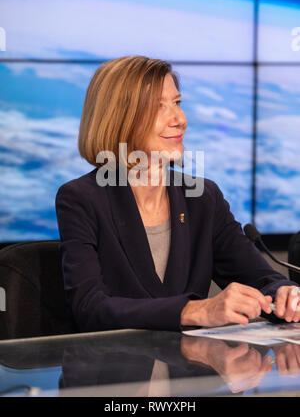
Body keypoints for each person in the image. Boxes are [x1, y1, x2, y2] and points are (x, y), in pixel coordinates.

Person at [55, 55, 300, 333]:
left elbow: (265, 278)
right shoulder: (81, 199)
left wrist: (286, 293)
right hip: (114, 371)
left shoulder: (203, 198)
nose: (179, 119)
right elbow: (90, 308)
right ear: (119, 118)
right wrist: (195, 310)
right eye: (159, 107)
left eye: (177, 103)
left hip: (191, 371)